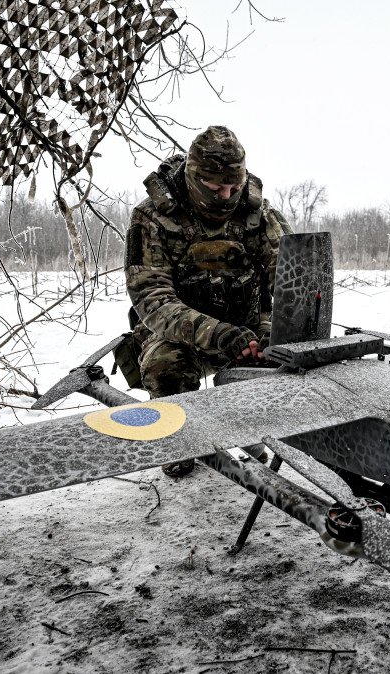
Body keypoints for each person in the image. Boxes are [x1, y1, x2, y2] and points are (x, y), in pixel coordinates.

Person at [125, 125, 291, 471]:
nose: (227, 197)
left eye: (234, 187)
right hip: (177, 334)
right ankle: (179, 445)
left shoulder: (258, 215)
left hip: (246, 325)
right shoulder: (152, 218)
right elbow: (151, 299)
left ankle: (254, 432)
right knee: (165, 366)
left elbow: (290, 277)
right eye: (217, 188)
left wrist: (279, 332)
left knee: (284, 357)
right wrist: (218, 334)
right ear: (193, 178)